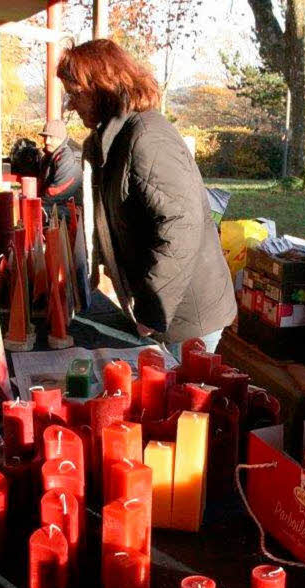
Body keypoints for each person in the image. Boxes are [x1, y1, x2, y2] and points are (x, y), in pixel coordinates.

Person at [58, 39, 236, 355]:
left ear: (102, 86)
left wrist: (153, 310)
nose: (71, 105)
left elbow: (181, 228)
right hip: (164, 304)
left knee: (180, 399)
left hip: (186, 313)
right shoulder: (110, 138)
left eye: (76, 94)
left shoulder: (146, 137)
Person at [37, 119, 82, 206]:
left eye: (51, 137)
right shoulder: (51, 153)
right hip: (60, 203)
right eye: (45, 137)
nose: (47, 141)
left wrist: (37, 205)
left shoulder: (71, 156)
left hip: (75, 209)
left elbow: (58, 192)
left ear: (61, 137)